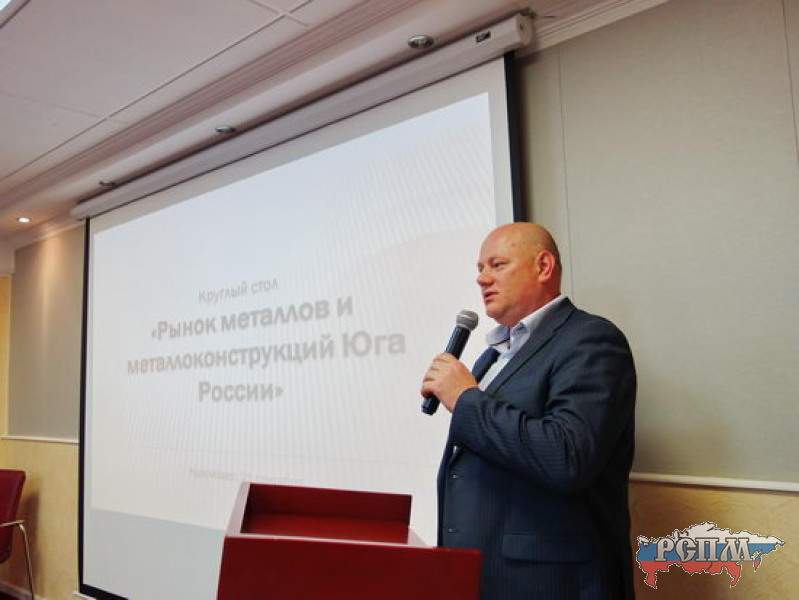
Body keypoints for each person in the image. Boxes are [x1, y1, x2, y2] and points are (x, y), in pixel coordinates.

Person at [421, 222, 636, 600]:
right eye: (479, 268)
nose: (482, 278)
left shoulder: (590, 340)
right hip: (480, 576)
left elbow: (568, 457)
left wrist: (466, 399)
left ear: (544, 266)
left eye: (497, 265)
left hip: (551, 584)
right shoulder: (491, 355)